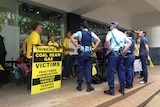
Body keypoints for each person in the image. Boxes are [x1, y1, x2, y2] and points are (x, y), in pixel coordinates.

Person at [70, 21, 101, 92]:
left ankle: (79, 85)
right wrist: (94, 48)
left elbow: (72, 37)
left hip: (82, 53)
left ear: (82, 27)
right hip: (89, 54)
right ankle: (89, 86)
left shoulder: (79, 33)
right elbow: (98, 40)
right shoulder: (91, 33)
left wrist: (75, 45)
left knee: (80, 69)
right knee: (88, 69)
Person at [104, 21, 132, 95]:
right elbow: (130, 42)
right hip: (120, 55)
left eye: (110, 26)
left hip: (113, 55)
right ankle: (122, 89)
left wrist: (109, 49)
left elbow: (107, 40)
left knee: (111, 72)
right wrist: (124, 51)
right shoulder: (122, 34)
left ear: (112, 26)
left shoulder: (110, 33)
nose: (109, 27)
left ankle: (111, 89)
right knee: (121, 71)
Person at [22, 22, 42, 90]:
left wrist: (24, 51)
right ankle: (31, 87)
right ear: (37, 28)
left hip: (29, 55)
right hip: (33, 56)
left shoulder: (31, 34)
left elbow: (24, 41)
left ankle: (30, 86)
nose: (41, 28)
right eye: (40, 27)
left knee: (31, 71)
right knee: (33, 72)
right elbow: (35, 45)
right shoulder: (36, 35)